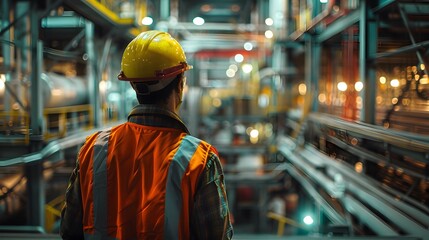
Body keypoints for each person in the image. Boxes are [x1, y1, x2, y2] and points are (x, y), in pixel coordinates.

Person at [60, 30, 233, 240]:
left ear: (133, 84)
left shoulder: (93, 149)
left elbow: (69, 231)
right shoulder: (199, 160)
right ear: (180, 84)